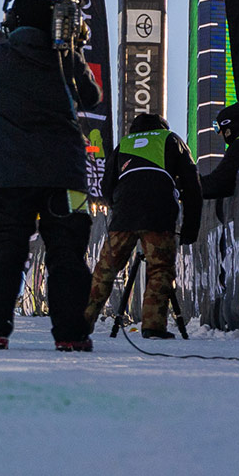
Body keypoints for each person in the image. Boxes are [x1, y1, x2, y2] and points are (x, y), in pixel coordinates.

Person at [0, 0, 105, 351]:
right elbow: (91, 96)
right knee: (68, 253)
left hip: (12, 178)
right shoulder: (65, 58)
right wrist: (70, 48)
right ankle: (71, 334)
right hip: (67, 175)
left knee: (6, 249)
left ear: (12, 20)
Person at [83, 112, 202, 339]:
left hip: (124, 216)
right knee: (160, 268)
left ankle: (81, 323)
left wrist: (118, 207)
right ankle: (153, 326)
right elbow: (192, 185)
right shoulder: (171, 139)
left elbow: (106, 186)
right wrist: (190, 228)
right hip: (158, 213)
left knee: (105, 270)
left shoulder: (123, 145)